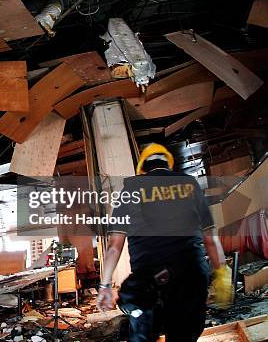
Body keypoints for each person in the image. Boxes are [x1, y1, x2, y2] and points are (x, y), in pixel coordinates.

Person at [96, 143, 232, 342]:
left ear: (142, 168)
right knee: (184, 335)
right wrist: (221, 273)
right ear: (169, 165)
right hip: (191, 276)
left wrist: (105, 286)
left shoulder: (131, 188)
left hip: (148, 283)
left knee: (144, 334)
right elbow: (210, 239)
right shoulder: (189, 184)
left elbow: (114, 246)